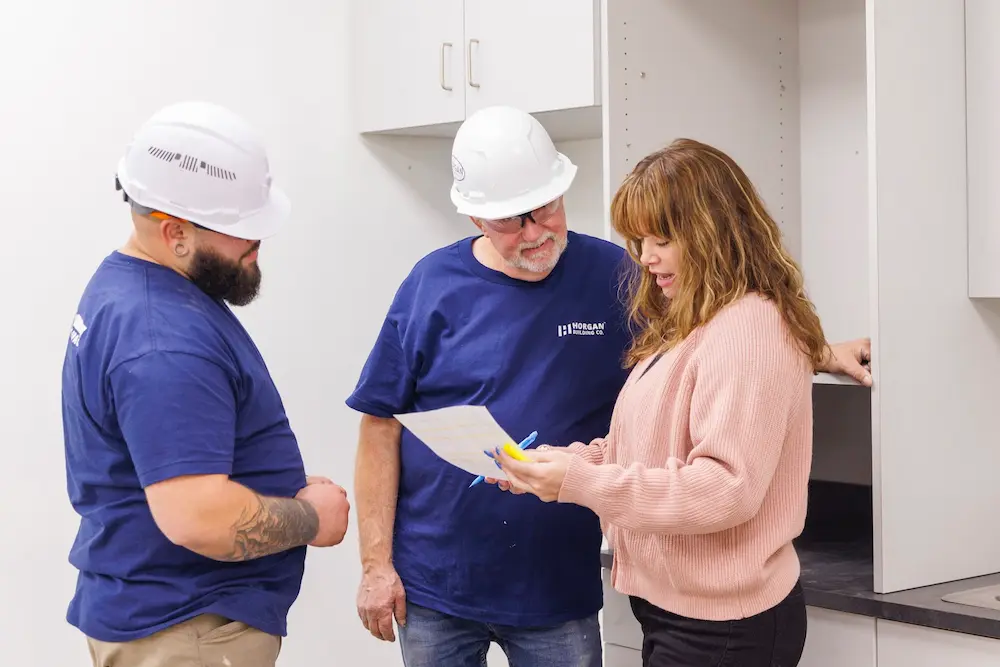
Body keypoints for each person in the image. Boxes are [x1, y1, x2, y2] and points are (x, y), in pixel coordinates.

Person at [347, 106, 869, 667]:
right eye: (510, 220)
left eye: (544, 209)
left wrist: (816, 350)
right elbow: (381, 425)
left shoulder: (620, 278)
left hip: (566, 588)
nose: (534, 232)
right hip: (441, 582)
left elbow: (741, 364)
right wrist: (377, 564)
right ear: (476, 219)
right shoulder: (431, 285)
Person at [493, 138, 832, 666]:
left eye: (661, 239)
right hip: (681, 614)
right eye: (639, 240)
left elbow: (726, 488)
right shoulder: (696, 322)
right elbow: (643, 447)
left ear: (710, 233)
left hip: (726, 627)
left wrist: (579, 482)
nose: (646, 258)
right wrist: (559, 465)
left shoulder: (749, 327)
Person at [61, 101, 351, 667]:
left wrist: (272, 485)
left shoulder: (131, 289)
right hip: (189, 631)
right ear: (175, 233)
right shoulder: (161, 340)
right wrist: (313, 518)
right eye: (242, 232)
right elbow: (197, 516)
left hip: (167, 616)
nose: (258, 244)